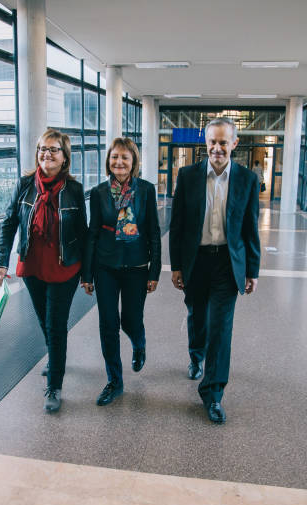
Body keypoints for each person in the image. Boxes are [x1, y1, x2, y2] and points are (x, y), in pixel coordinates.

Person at [169, 117, 261, 424]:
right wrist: (177, 266)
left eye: (223, 142)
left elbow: (250, 228)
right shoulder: (188, 176)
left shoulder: (247, 179)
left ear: (234, 144)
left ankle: (213, 394)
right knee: (197, 316)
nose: (217, 148)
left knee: (221, 327)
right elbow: (178, 225)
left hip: (227, 262)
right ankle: (196, 356)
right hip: (196, 260)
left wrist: (252, 270)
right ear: (205, 144)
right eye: (212, 142)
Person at [0, 129, 88, 413]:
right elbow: (9, 222)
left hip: (64, 267)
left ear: (64, 157)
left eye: (54, 150)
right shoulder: (25, 185)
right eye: (42, 149)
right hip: (33, 266)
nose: (46, 154)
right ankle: (56, 357)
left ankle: (55, 385)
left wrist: (87, 273)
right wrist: (1, 260)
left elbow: (82, 232)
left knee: (55, 325)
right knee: (44, 321)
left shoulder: (74, 190)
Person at [82, 138, 161, 406]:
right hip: (105, 266)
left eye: (125, 158)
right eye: (114, 157)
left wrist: (154, 272)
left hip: (137, 267)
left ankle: (139, 343)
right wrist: (86, 274)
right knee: (108, 324)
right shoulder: (99, 192)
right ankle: (114, 381)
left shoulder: (147, 191)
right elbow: (92, 233)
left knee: (130, 320)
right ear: (109, 160)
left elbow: (154, 233)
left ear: (133, 162)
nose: (119, 162)